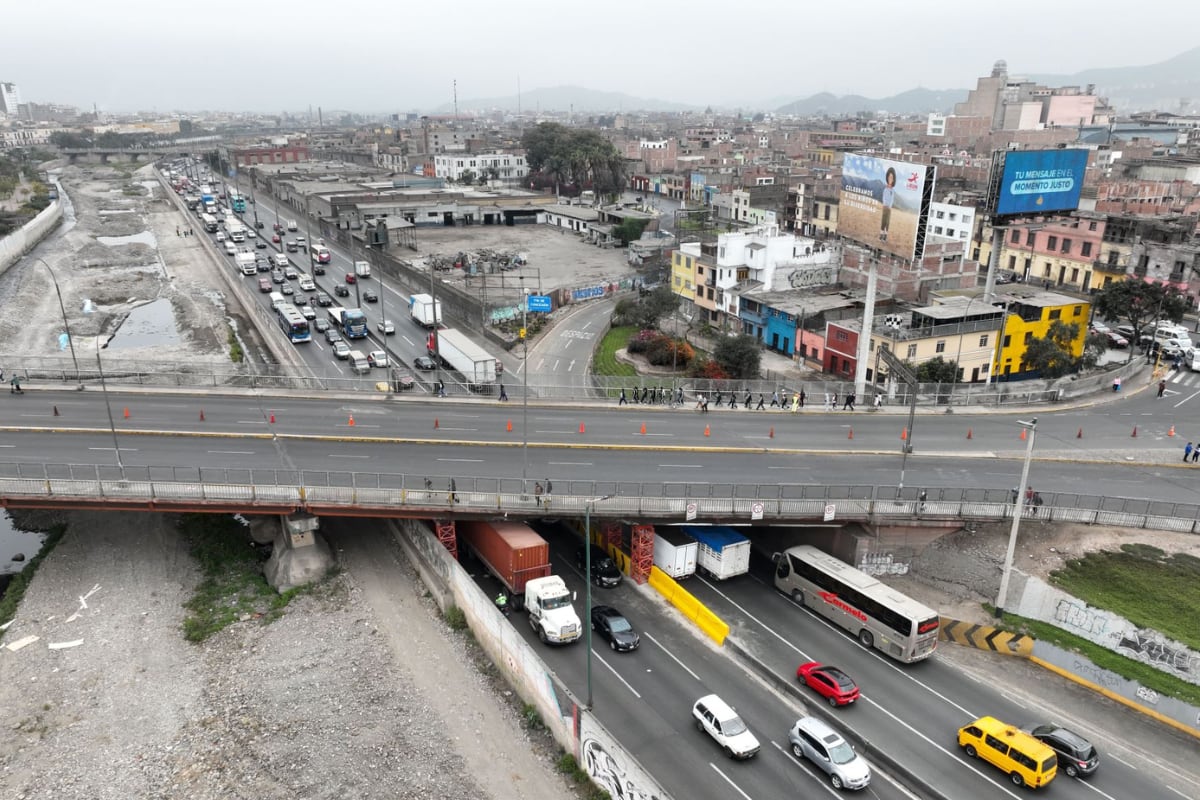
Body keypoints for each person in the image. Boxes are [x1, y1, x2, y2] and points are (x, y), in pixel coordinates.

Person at [879, 166, 896, 242]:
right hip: (884, 207)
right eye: (889, 177)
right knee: (883, 220)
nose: (890, 179)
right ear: (887, 177)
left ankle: (885, 235)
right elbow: (883, 197)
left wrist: (890, 206)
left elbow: (892, 199)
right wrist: (884, 204)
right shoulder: (885, 189)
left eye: (892, 177)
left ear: (893, 179)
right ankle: (881, 234)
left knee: (887, 222)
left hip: (889, 208)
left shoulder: (892, 190)